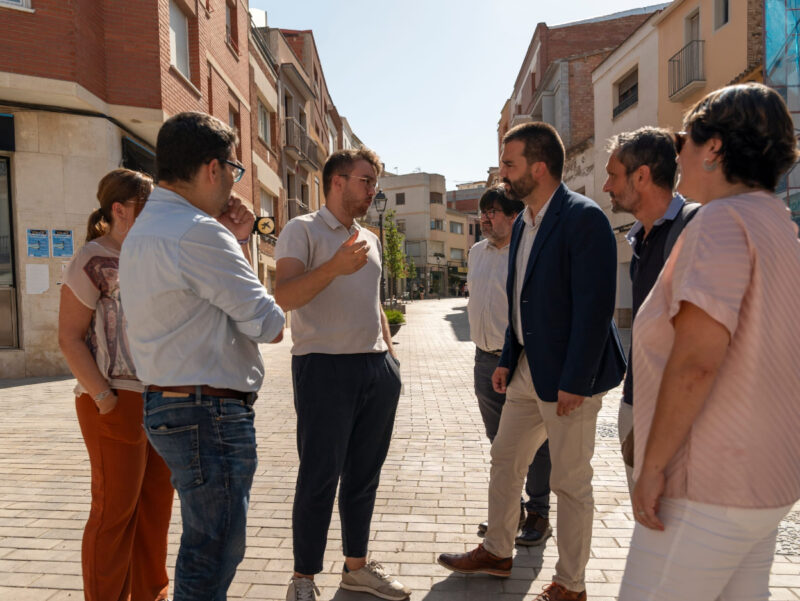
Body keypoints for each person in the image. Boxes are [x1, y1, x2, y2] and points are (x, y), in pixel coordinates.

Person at [620, 84, 800, 600]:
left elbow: (697, 359)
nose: (678, 152)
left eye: (687, 139)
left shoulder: (722, 221)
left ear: (715, 147)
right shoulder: (779, 226)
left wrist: (651, 469)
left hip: (709, 484)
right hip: (768, 480)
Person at [438, 122, 625, 601]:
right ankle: (498, 551)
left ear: (538, 168)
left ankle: (571, 584)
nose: (502, 173)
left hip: (569, 379)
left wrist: (576, 380)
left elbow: (595, 308)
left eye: (509, 164)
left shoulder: (584, 218)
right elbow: (520, 300)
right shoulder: (524, 221)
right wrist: (507, 357)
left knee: (569, 481)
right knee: (505, 459)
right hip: (525, 371)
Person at [119, 112, 285, 601]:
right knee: (214, 548)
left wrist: (235, 240)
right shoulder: (196, 231)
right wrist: (234, 240)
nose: (234, 181)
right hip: (207, 410)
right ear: (213, 168)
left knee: (205, 540)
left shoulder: (148, 228)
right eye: (234, 168)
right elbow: (268, 323)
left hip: (171, 404)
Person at [274, 149, 409, 601]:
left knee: (363, 476)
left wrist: (390, 359)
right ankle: (303, 578)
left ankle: (356, 567)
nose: (373, 190)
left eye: (375, 183)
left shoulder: (370, 238)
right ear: (337, 181)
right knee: (319, 475)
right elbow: (286, 295)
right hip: (323, 367)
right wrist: (332, 266)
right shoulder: (302, 229)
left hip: (375, 369)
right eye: (366, 181)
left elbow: (372, 305)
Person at [59, 168, 173, 601]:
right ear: (119, 210)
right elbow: (69, 337)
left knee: (155, 508)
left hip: (159, 397)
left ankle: (152, 594)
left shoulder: (153, 255)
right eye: (148, 209)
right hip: (113, 398)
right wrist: (104, 398)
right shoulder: (92, 258)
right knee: (115, 512)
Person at [602, 127, 699, 495]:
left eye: (613, 175)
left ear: (641, 176)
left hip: (675, 417)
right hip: (636, 401)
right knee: (649, 526)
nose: (607, 187)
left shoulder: (695, 229)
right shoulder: (640, 237)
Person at [467, 186, 552, 546]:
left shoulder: (526, 252)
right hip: (484, 359)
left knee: (534, 444)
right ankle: (508, 514)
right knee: (499, 443)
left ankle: (538, 514)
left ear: (514, 215)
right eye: (483, 212)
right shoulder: (475, 252)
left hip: (521, 360)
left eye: (494, 211)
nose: (486, 218)